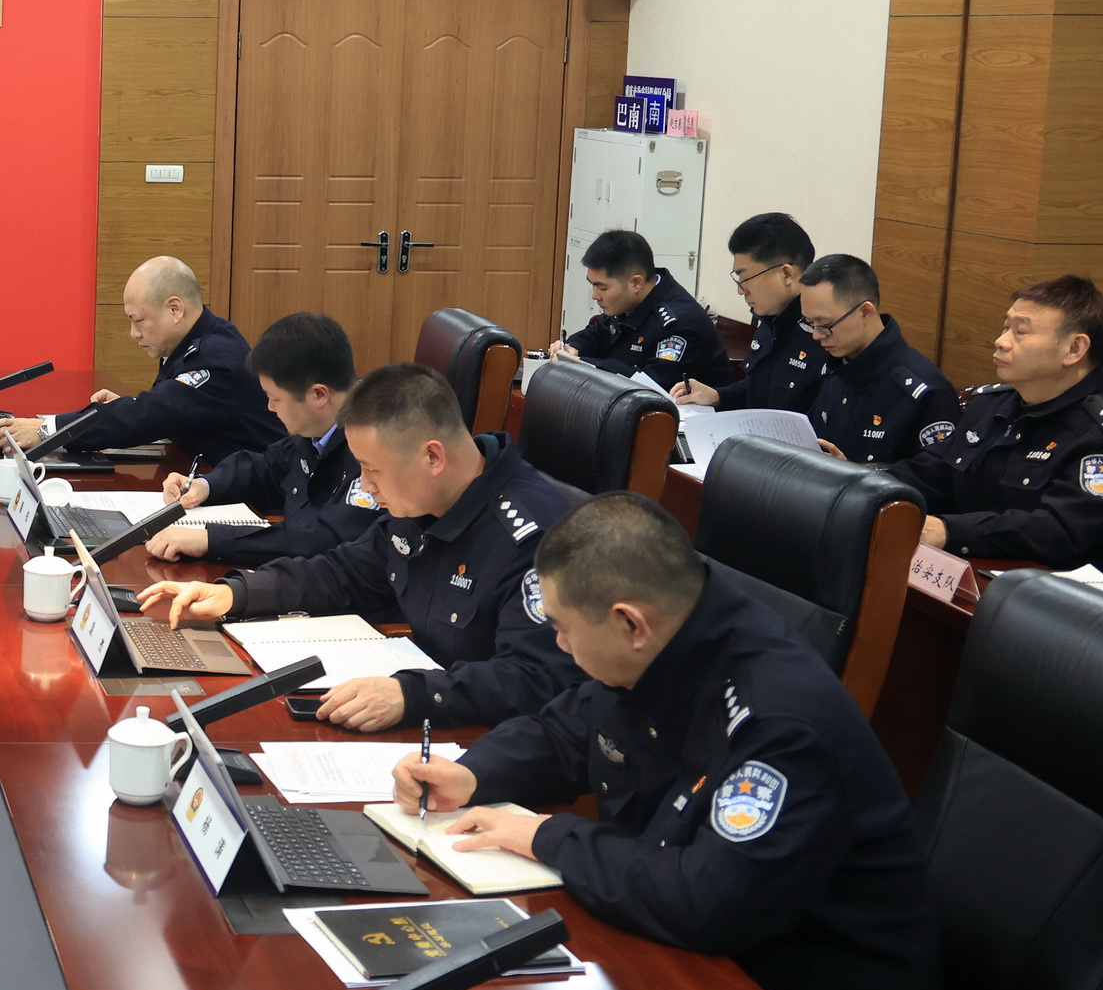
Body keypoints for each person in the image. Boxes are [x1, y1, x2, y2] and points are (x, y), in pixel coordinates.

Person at [392, 493, 940, 990]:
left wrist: (547, 836)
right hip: (686, 964)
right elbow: (569, 729)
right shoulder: (670, 640)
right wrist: (474, 773)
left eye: (563, 629)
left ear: (631, 624)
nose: (558, 644)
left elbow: (705, 902)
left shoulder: (781, 727)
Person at [136, 362, 581, 731]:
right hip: (415, 712)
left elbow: (535, 679)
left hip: (474, 739)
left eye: (372, 469)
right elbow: (344, 572)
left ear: (432, 457)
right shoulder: (423, 499)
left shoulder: (535, 538)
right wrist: (237, 593)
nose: (364, 486)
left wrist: (412, 695)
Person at [885, 275, 1103, 580]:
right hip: (978, 572)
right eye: (1006, 327)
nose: (1001, 341)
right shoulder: (991, 405)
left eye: (1021, 332)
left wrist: (951, 531)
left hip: (1065, 595)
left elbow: (1058, 532)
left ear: (1074, 349)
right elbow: (932, 472)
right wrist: (863, 485)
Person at [144, 312, 378, 570]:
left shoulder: (374, 450)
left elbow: (321, 540)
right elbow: (266, 467)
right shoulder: (319, 429)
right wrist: (205, 486)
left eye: (275, 398)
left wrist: (209, 540)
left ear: (319, 395)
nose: (269, 407)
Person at [0, 256, 278, 466]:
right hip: (204, 472)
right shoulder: (196, 339)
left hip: (250, 500)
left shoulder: (215, 359)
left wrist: (47, 430)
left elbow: (149, 416)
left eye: (139, 320)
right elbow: (167, 409)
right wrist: (129, 407)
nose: (134, 333)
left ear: (175, 309)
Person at [793, 254, 960, 467]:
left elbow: (935, 477)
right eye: (810, 323)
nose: (817, 335)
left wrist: (856, 476)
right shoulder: (836, 368)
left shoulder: (925, 392)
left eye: (824, 325)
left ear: (865, 312)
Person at [551, 229, 736, 395]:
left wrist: (582, 363)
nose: (595, 296)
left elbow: (650, 385)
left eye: (602, 288)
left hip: (681, 417)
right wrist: (572, 348)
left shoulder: (680, 323)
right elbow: (597, 333)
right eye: (592, 285)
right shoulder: (627, 301)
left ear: (636, 283)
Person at [674, 213, 823, 415]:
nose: (741, 290)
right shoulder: (771, 319)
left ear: (786, 273)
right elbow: (758, 389)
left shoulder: (825, 332)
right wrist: (716, 395)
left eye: (745, 278)